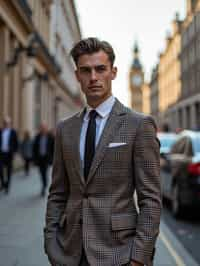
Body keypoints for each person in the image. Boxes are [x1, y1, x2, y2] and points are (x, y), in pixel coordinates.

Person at [44, 37, 161, 266]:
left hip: (119, 254)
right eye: (86, 71)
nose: (94, 77)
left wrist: (138, 258)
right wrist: (51, 242)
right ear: (77, 75)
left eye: (100, 69)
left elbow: (151, 199)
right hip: (69, 253)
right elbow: (57, 192)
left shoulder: (139, 125)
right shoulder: (65, 129)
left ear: (113, 72)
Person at [33, 123, 54, 197]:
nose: (42, 129)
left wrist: (52, 158)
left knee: (45, 172)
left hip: (46, 158)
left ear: (46, 128)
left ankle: (44, 186)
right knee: (41, 173)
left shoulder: (50, 137)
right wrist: (34, 159)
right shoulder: (37, 137)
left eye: (44, 128)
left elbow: (54, 148)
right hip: (39, 158)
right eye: (41, 128)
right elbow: (34, 149)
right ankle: (44, 184)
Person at [0, 116, 18, 193]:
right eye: (4, 123)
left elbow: (16, 143)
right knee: (0, 169)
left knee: (8, 171)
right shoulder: (0, 131)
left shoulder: (13, 132)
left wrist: (14, 153)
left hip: (9, 154)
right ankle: (3, 183)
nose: (6, 124)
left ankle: (7, 186)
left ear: (10, 124)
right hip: (1, 153)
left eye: (7, 123)